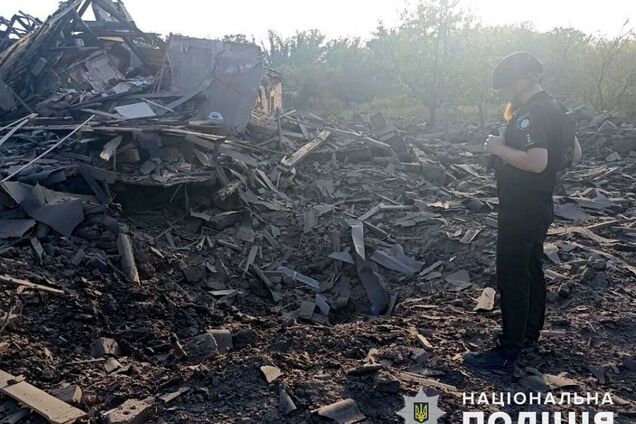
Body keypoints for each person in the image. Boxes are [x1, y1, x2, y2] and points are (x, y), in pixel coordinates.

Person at [463, 51, 582, 373]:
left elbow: (537, 160)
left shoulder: (529, 115)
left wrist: (498, 148)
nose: (505, 92)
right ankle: (529, 336)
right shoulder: (557, 109)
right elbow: (575, 153)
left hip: (520, 206)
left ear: (522, 79)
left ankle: (506, 353)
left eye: (507, 85)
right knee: (532, 268)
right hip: (541, 204)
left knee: (513, 274)